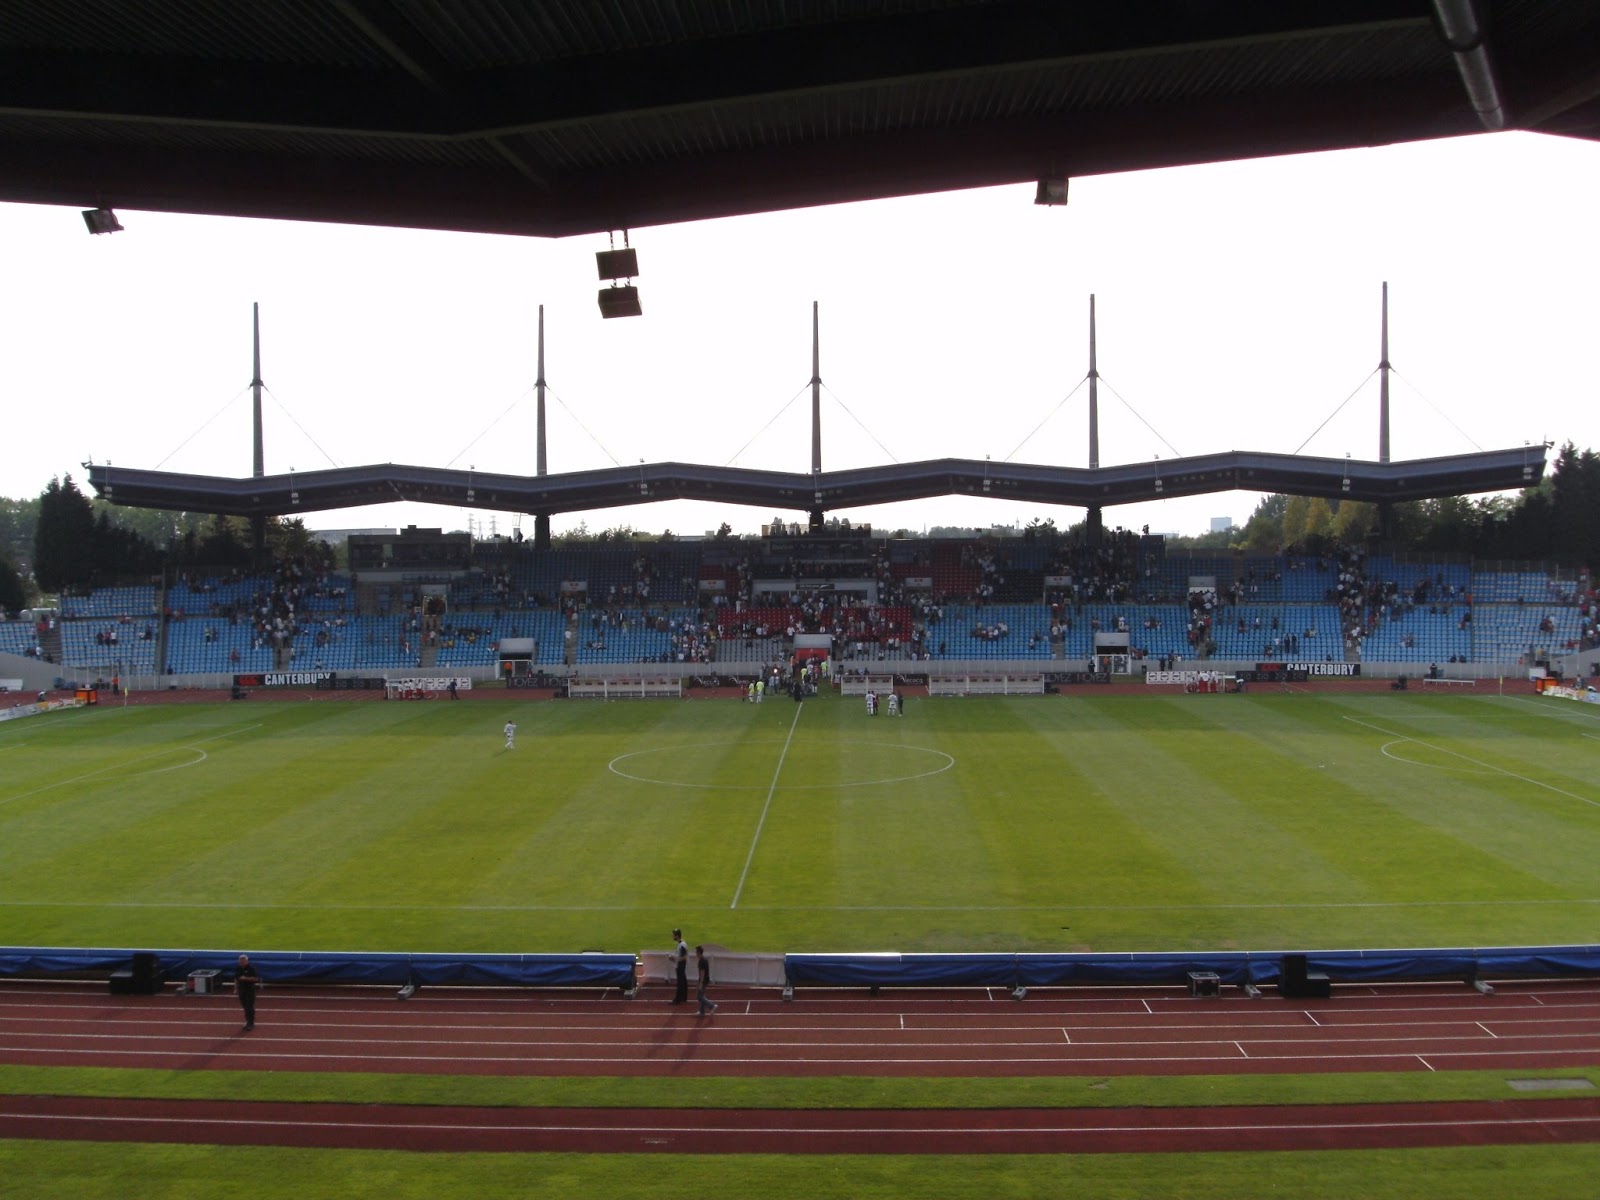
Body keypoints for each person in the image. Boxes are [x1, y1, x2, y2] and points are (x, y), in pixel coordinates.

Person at [233, 954, 261, 1031]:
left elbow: (256, 979)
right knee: (245, 1007)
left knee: (249, 1007)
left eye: (243, 961)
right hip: (241, 990)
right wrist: (235, 988)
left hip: (250, 990)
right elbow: (236, 978)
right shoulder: (238, 968)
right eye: (240, 961)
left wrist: (245, 978)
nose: (241, 962)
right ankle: (248, 1021)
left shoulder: (251, 968)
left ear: (247, 961)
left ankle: (250, 1023)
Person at [696, 944, 717, 1015]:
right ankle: (702, 1011)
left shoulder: (701, 961)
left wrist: (700, 983)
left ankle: (711, 1006)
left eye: (696, 952)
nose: (695, 953)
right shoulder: (705, 960)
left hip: (703, 980)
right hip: (706, 979)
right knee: (702, 995)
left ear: (699, 952)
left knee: (699, 996)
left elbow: (702, 973)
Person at [671, 928, 689, 1005]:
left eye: (673, 935)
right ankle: (683, 998)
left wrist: (674, 958)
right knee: (683, 982)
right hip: (680, 964)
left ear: (677, 936)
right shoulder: (681, 944)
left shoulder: (682, 945)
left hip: (681, 965)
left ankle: (678, 999)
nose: (673, 936)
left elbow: (683, 957)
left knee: (680, 982)